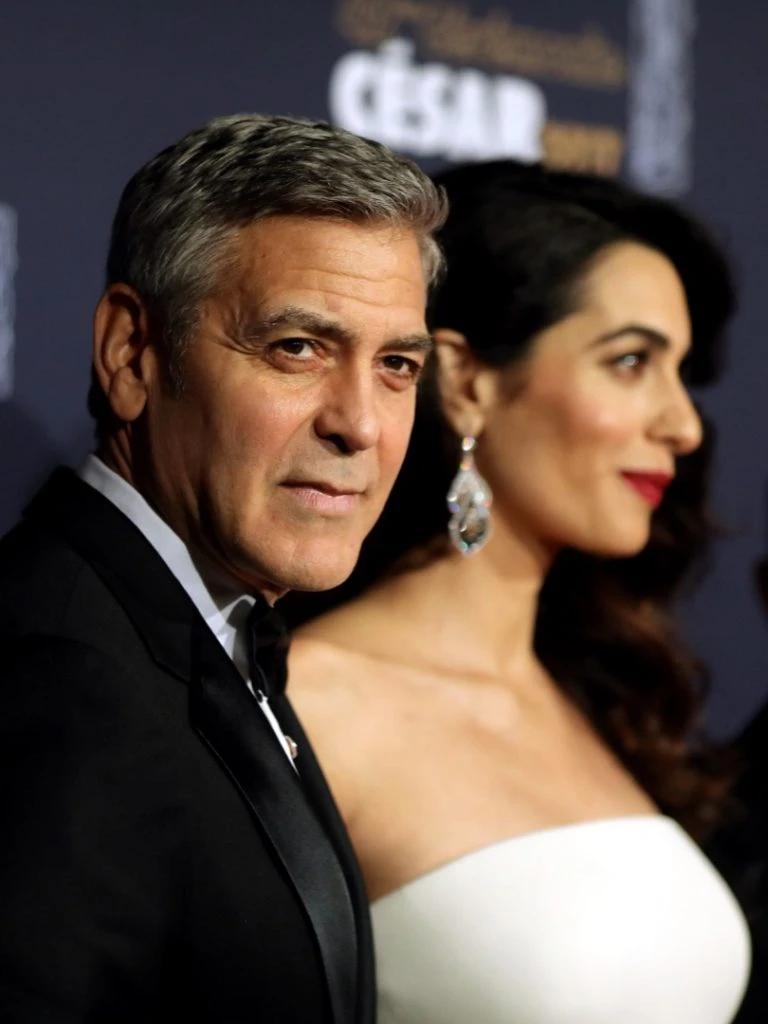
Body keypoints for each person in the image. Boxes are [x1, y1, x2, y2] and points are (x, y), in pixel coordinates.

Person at [0, 113, 446, 1023]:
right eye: (297, 348)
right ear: (132, 352)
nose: (359, 424)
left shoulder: (213, 629)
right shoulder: (58, 673)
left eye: (397, 364)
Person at [286, 160, 751, 1024]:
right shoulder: (309, 708)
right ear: (467, 383)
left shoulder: (592, 697)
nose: (684, 425)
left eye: (681, 371)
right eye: (630, 362)